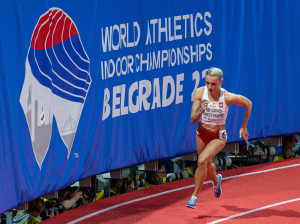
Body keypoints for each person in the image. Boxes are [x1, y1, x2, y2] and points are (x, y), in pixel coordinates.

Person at [186, 67, 252, 209]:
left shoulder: (227, 97)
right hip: (201, 134)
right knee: (207, 164)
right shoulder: (199, 92)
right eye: (207, 83)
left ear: (221, 82)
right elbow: (192, 119)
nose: (210, 87)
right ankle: (216, 181)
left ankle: (194, 196)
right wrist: (201, 110)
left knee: (202, 160)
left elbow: (248, 103)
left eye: (213, 84)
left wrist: (244, 126)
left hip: (218, 136)